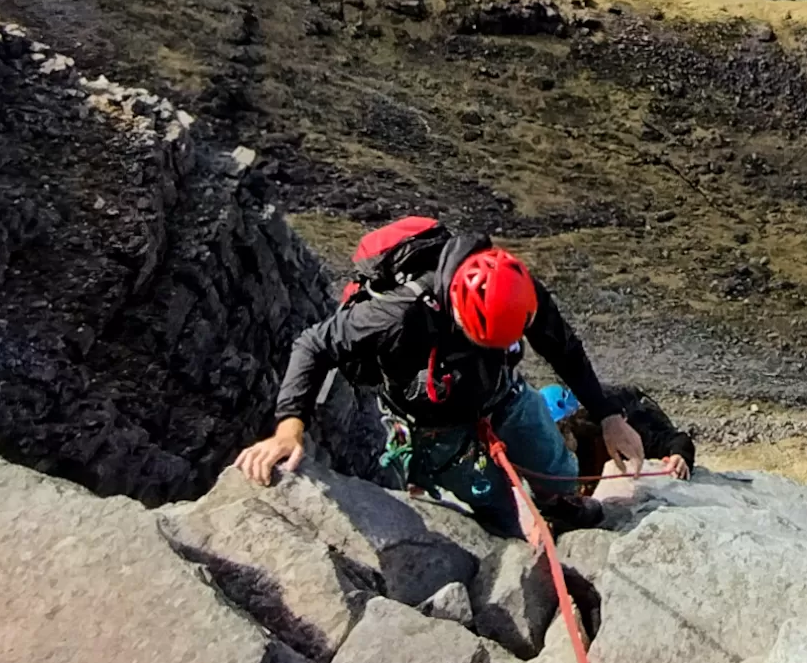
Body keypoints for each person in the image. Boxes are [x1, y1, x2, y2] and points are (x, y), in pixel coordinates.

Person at [232, 217, 654, 536]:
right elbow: (314, 345)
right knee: (498, 511)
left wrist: (609, 416)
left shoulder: (516, 289)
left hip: (502, 394)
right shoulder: (396, 315)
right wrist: (289, 429)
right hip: (437, 429)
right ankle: (509, 549)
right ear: (457, 314)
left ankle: (558, 505)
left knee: (555, 467)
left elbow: (564, 349)